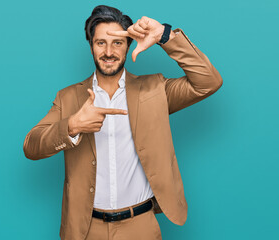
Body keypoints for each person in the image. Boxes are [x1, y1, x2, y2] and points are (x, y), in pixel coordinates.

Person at [23, 5, 223, 240]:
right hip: (86, 230)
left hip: (140, 227)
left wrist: (164, 35)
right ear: (91, 47)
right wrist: (72, 126)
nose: (109, 51)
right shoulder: (68, 98)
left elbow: (208, 82)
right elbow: (31, 146)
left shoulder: (155, 89)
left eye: (117, 42)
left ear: (128, 45)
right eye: (101, 43)